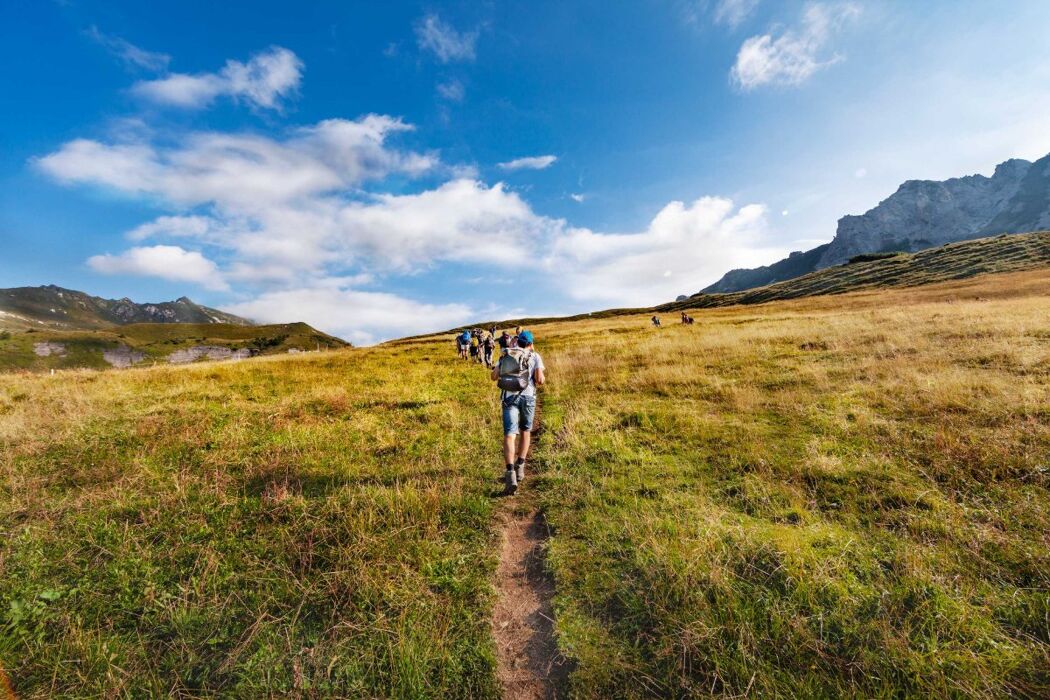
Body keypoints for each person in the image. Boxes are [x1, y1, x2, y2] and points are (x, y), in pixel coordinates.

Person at [492, 329, 544, 495]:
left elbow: (494, 377)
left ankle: (510, 474)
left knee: (509, 435)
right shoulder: (535, 356)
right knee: (525, 432)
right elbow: (540, 380)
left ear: (517, 341)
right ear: (530, 343)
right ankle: (520, 466)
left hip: (509, 398)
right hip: (528, 397)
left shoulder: (507, 354)